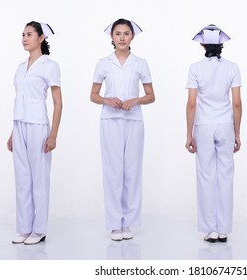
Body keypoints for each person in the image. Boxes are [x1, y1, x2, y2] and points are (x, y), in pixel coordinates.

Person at [90, 18, 155, 241]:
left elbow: (151, 96)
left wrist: (135, 100)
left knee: (132, 171)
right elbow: (93, 95)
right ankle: (115, 223)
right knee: (113, 172)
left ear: (132, 37)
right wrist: (108, 100)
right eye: (118, 34)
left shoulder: (140, 63)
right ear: (112, 37)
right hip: (110, 120)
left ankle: (128, 223)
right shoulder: (103, 63)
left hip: (133, 121)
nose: (122, 38)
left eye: (126, 34)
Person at [7, 21, 62, 245]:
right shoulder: (21, 67)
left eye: (29, 34)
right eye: (22, 34)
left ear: (41, 38)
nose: (24, 38)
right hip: (19, 124)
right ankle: (24, 227)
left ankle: (39, 230)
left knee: (39, 179)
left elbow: (58, 103)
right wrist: (12, 132)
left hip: (38, 125)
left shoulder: (50, 66)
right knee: (22, 179)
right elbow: (18, 99)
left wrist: (53, 135)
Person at [185, 24, 242, 243]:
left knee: (206, 175)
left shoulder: (195, 68)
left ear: (202, 44)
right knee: (225, 176)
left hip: (204, 125)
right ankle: (224, 229)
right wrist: (237, 132)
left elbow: (191, 104)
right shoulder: (232, 67)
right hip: (226, 124)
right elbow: (236, 102)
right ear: (222, 45)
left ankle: (210, 229)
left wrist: (189, 134)